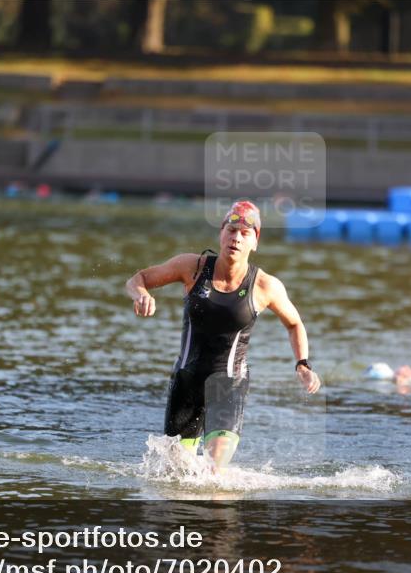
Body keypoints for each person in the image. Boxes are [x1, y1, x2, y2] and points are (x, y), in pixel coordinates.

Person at [125, 200, 321, 470]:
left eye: (245, 233)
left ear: (255, 242)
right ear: (221, 233)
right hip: (187, 382)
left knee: (213, 472)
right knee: (175, 475)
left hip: (229, 386)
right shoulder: (192, 267)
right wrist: (141, 295)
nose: (236, 238)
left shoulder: (265, 286)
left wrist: (303, 364)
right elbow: (138, 279)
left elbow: (294, 324)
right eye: (231, 230)